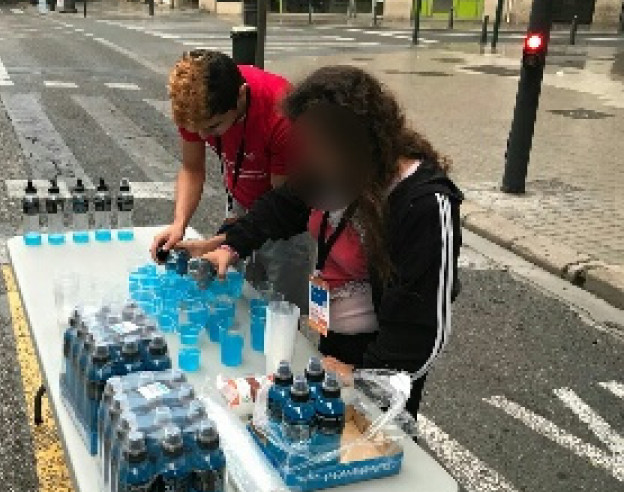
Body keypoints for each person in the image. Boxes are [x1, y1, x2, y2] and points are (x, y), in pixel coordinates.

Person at [197, 66, 462, 418]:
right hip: (334, 338)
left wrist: (363, 378)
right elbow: (283, 206)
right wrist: (231, 246)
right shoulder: (335, 169)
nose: (309, 156)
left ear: (354, 140)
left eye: (317, 145)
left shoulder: (424, 203)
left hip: (382, 364)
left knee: (372, 455)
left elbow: (421, 329)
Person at [151, 50, 311, 312]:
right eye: (196, 130)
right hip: (242, 203)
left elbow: (281, 207)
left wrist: (224, 241)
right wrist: (179, 223)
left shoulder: (281, 114)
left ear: (240, 96)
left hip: (285, 214)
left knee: (280, 306)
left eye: (213, 127)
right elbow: (192, 169)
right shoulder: (195, 109)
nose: (203, 135)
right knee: (238, 294)